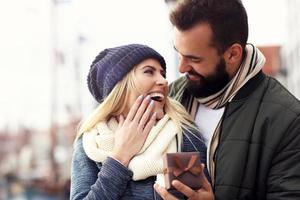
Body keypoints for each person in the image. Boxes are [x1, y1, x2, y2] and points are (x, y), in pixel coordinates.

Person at [154, 0, 300, 199]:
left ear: (232, 54)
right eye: (179, 54)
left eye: (194, 59)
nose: (181, 68)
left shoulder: (287, 119)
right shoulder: (172, 97)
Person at [70, 44, 208, 200]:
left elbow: (192, 194)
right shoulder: (91, 143)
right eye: (149, 71)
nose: (163, 81)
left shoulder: (180, 135)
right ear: (120, 86)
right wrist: (120, 156)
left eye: (162, 73)